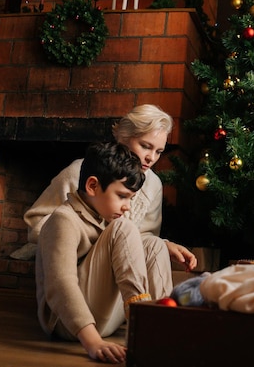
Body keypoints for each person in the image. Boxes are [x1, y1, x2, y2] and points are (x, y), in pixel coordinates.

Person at [23, 104, 197, 299]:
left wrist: (164, 245)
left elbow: (143, 240)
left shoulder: (153, 184)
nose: (151, 157)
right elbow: (36, 223)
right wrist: (87, 238)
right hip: (80, 277)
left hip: (121, 276)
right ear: (123, 138)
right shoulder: (80, 171)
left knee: (156, 244)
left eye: (159, 151)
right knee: (121, 229)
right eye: (145, 146)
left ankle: (157, 316)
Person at [36, 141, 148, 363]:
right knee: (124, 227)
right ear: (93, 186)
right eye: (122, 196)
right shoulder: (63, 220)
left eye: (131, 199)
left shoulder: (103, 216)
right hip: (69, 325)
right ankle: (144, 325)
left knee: (154, 245)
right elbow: (60, 284)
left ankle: (160, 326)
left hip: (102, 317)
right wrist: (92, 342)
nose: (127, 206)